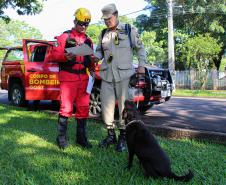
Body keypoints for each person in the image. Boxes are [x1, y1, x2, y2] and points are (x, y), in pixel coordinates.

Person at [94, 3, 147, 152]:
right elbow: (99, 52)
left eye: (109, 19)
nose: (106, 22)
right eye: (104, 19)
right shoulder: (103, 33)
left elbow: (140, 48)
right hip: (106, 75)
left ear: (116, 15)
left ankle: (123, 137)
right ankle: (111, 135)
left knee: (125, 108)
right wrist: (94, 57)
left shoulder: (129, 30)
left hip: (124, 75)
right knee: (106, 107)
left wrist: (142, 65)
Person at [49, 8, 94, 149]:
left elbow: (90, 61)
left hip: (84, 79)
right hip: (68, 79)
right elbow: (52, 56)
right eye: (81, 23)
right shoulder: (64, 37)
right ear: (75, 21)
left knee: (83, 108)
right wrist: (64, 56)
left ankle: (81, 139)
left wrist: (93, 65)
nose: (84, 26)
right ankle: (61, 139)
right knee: (66, 108)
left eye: (87, 24)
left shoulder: (88, 40)